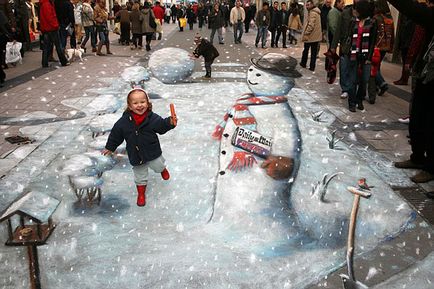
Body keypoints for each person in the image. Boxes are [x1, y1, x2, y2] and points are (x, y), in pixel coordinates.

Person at [102, 88, 177, 207]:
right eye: (135, 103)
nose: (139, 105)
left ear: (147, 103)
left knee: (158, 165)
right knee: (140, 175)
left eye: (142, 102)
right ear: (130, 106)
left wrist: (169, 123)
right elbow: (116, 134)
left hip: (152, 151)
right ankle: (141, 193)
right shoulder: (124, 122)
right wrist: (110, 147)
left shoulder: (152, 118)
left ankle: (162, 170)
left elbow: (161, 126)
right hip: (135, 154)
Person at [389, 0, 434, 184]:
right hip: (426, 74)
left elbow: (413, 9)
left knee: (431, 124)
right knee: (417, 118)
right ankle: (417, 158)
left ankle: (431, 167)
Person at [346, 0, 377, 112]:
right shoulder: (353, 21)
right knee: (352, 80)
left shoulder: (372, 23)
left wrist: (369, 58)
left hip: (365, 55)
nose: (354, 11)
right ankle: (352, 102)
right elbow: (349, 37)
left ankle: (359, 99)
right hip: (353, 53)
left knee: (364, 80)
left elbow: (373, 42)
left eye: (356, 9)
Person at [330, 0, 358, 99]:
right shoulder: (345, 13)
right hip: (345, 45)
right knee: (344, 67)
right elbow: (338, 30)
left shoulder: (364, 14)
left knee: (354, 69)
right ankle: (345, 89)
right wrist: (333, 45)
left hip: (357, 46)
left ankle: (353, 88)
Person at [39, 0, 69, 67]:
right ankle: (64, 61)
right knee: (58, 46)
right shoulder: (47, 4)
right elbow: (50, 17)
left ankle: (44, 63)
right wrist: (56, 25)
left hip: (46, 28)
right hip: (51, 28)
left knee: (46, 47)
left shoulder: (45, 3)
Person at [300, 0, 322, 71]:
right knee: (314, 52)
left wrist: (306, 33)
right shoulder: (317, 12)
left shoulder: (313, 13)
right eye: (306, 5)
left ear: (312, 5)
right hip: (316, 36)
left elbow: (311, 25)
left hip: (310, 36)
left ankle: (303, 63)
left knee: (306, 50)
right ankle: (312, 67)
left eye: (308, 5)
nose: (306, 6)